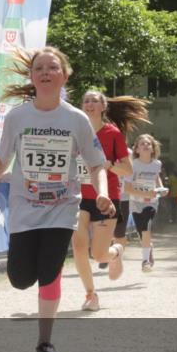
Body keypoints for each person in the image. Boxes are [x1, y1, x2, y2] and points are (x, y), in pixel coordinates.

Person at [0, 47, 113, 352]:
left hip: (62, 208)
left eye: (53, 67)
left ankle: (45, 342)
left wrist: (101, 192)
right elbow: (2, 157)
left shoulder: (76, 119)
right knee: (20, 278)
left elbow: (96, 163)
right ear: (32, 76)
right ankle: (32, 279)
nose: (46, 72)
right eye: (40, 68)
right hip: (25, 208)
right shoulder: (18, 116)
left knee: (50, 271)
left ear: (64, 74)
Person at [71, 91, 145, 311]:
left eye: (94, 101)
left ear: (103, 107)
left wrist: (106, 165)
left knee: (99, 254)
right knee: (78, 245)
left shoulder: (112, 133)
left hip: (106, 198)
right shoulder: (75, 132)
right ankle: (91, 295)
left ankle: (117, 251)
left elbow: (127, 168)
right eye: (86, 100)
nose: (89, 104)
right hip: (79, 197)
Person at [126, 134, 167, 272]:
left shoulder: (157, 164)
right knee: (141, 231)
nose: (145, 145)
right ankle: (148, 250)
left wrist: (161, 189)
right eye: (142, 144)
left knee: (147, 226)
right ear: (136, 149)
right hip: (136, 201)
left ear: (153, 148)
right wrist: (143, 193)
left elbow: (156, 179)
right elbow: (128, 186)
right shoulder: (133, 165)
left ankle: (145, 262)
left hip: (152, 201)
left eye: (148, 144)